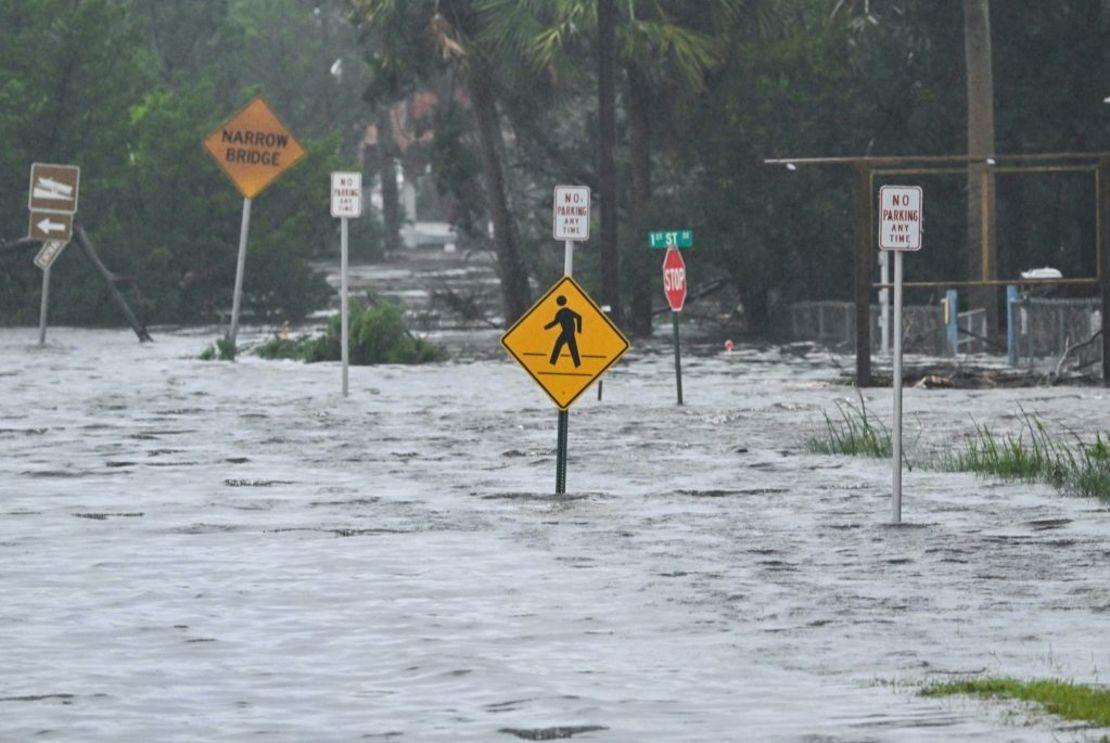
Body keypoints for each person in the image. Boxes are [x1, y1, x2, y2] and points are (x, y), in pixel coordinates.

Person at [544, 295, 582, 367]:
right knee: (573, 348)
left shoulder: (561, 313)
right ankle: (577, 365)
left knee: (558, 345)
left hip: (566, 332)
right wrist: (578, 330)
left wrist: (546, 327)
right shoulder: (568, 311)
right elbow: (579, 317)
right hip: (570, 332)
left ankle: (552, 363)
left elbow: (555, 322)